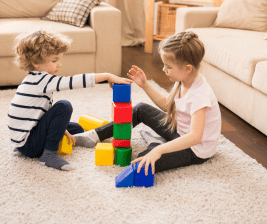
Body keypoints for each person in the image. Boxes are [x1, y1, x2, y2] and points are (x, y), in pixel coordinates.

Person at [74, 31, 221, 176]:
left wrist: (158, 150)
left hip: (194, 149)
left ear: (188, 68)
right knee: (140, 109)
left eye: (168, 67)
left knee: (144, 163)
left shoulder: (200, 95)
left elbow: (195, 137)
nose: (164, 69)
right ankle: (94, 135)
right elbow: (166, 105)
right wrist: (144, 84)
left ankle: (155, 144)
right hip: (179, 131)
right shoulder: (183, 79)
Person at [8, 30, 131, 171]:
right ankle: (48, 155)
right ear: (36, 62)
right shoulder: (42, 80)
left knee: (75, 129)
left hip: (22, 143)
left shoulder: (31, 79)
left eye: (59, 59)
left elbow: (38, 114)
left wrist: (63, 130)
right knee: (64, 107)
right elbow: (73, 81)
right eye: (54, 60)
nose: (59, 64)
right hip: (30, 145)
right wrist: (106, 76)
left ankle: (28, 147)